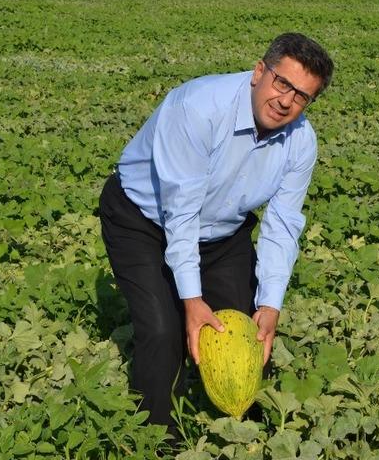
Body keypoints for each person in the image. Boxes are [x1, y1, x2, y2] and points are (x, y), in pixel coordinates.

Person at [97, 32, 334, 433]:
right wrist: (191, 301)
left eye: (302, 96)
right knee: (162, 330)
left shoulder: (301, 142)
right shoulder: (198, 107)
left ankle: (242, 431)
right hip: (142, 220)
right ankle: (157, 439)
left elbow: (282, 225)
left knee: (245, 329)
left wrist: (271, 305)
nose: (286, 101)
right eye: (282, 83)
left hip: (223, 233)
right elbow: (182, 210)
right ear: (260, 71)